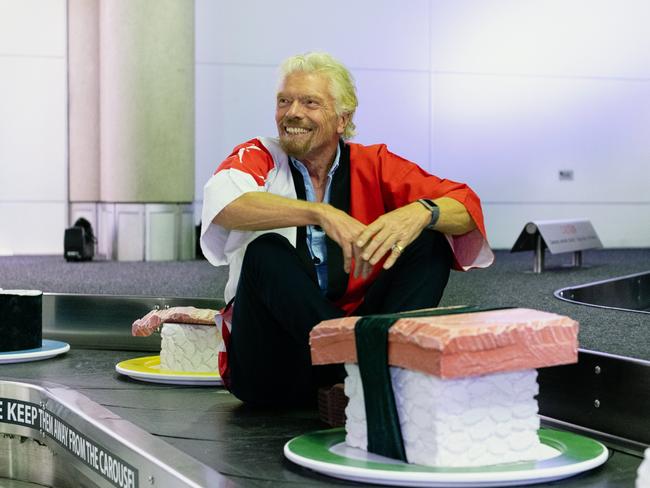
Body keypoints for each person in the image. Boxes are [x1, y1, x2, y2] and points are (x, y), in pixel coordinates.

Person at [200, 52, 494, 406]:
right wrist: (319, 213)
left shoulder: (373, 164)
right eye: (284, 101)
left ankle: (370, 370)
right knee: (267, 252)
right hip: (273, 365)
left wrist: (420, 212)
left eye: (310, 102)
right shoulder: (259, 154)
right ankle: (367, 373)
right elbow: (228, 206)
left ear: (343, 119)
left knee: (428, 239)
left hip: (351, 346)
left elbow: (464, 207)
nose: (293, 113)